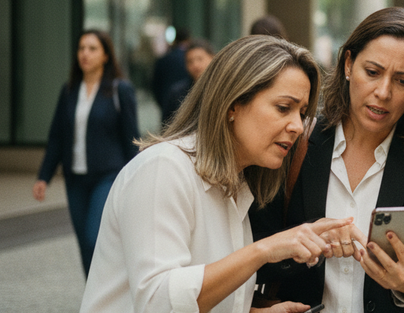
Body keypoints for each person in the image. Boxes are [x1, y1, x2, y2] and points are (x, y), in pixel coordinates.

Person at [80, 35, 352, 313]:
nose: (298, 126)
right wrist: (263, 250)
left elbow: (203, 299)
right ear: (233, 104)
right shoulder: (164, 167)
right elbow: (158, 302)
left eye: (302, 113)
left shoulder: (236, 186)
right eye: (283, 108)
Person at [250, 7, 404, 313]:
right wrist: (308, 240)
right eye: (372, 72)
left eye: (403, 81)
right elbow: (253, 250)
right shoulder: (294, 142)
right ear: (348, 64)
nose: (383, 92)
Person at [32, 29, 139, 276]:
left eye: (92, 49)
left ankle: (108, 287)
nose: (85, 54)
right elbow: (57, 137)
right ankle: (94, 294)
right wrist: (43, 177)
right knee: (83, 243)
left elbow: (131, 139)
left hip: (107, 176)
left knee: (94, 238)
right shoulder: (69, 90)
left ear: (105, 55)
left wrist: (135, 180)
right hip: (75, 179)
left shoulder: (119, 90)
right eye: (81, 48)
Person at [161, 38, 216, 125]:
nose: (195, 65)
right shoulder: (177, 93)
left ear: (213, 57)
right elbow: (167, 125)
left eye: (200, 59)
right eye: (190, 61)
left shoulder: (222, 87)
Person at [152, 26, 191, 108]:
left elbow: (155, 85)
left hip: (167, 102)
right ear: (188, 40)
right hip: (187, 102)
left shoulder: (163, 59)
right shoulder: (189, 59)